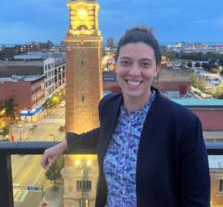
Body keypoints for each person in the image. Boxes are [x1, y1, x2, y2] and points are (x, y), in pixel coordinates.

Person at [41, 26, 210, 207]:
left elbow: (196, 201)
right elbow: (106, 132)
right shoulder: (108, 105)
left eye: (144, 64)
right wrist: (66, 144)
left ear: (156, 69)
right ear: (116, 66)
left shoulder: (183, 123)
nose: (134, 72)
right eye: (126, 62)